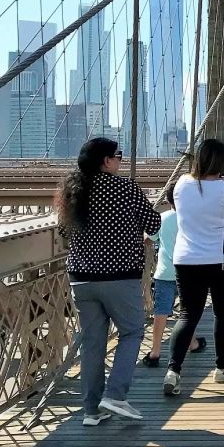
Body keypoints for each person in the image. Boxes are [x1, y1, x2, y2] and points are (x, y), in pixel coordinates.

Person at [56, 137, 161, 426]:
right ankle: (115, 394)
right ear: (106, 161)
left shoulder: (73, 191)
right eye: (119, 155)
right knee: (132, 332)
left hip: (81, 279)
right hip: (119, 277)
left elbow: (63, 233)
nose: (121, 160)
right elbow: (154, 225)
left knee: (92, 343)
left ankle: (91, 410)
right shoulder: (125, 188)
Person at [163, 139, 224, 397]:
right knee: (223, 314)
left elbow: (186, 211)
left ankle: (173, 371)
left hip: (187, 260)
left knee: (188, 315)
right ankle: (222, 368)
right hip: (223, 260)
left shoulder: (181, 184)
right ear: (223, 162)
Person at [140, 181, 206, 367]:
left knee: (161, 312)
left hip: (164, 273)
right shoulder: (193, 219)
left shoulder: (162, 218)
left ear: (169, 200)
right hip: (189, 273)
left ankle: (155, 352)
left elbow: (148, 239)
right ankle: (191, 343)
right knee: (188, 312)